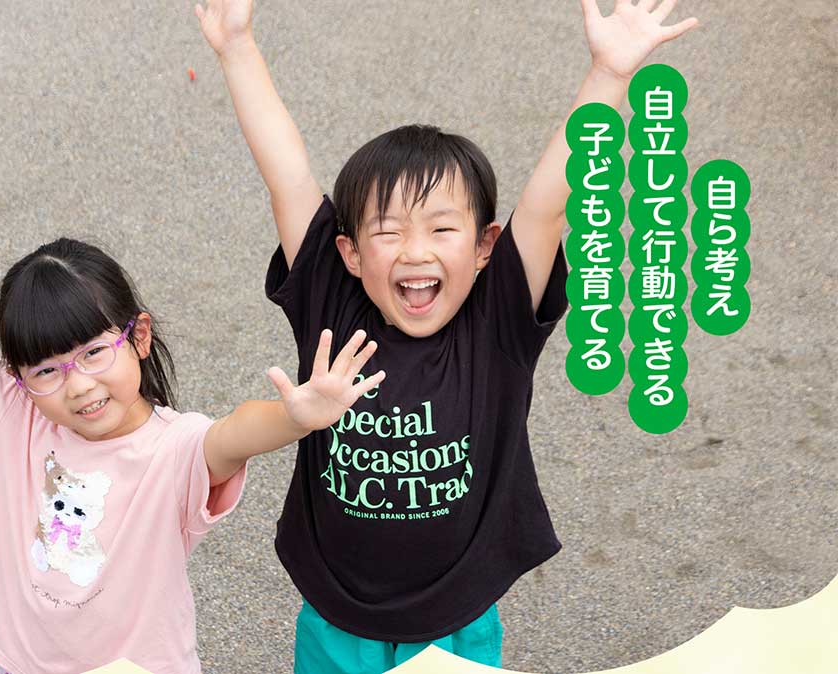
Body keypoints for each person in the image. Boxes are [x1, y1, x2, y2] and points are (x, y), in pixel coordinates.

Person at [197, 0, 698, 670]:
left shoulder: (500, 317)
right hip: (336, 611)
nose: (415, 251)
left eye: (441, 228)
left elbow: (548, 204)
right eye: (387, 231)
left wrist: (609, 74)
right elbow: (286, 175)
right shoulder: (330, 299)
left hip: (456, 615)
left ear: (486, 244)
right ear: (349, 253)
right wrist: (236, 45)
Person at [0, 150, 386, 674]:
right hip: (10, 660)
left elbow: (232, 436)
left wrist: (295, 418)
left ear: (138, 336)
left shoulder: (173, 448)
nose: (78, 385)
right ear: (20, 376)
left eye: (94, 352)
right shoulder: (17, 406)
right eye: (47, 369)